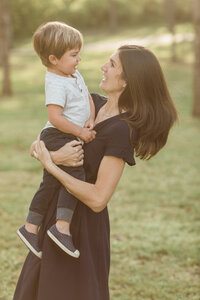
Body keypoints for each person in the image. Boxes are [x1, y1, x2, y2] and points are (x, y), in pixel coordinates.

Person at [13, 45, 178, 300]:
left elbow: (99, 198)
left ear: (126, 81)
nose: (103, 67)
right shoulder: (89, 103)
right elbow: (40, 143)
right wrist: (53, 157)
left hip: (80, 230)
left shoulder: (122, 131)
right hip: (53, 217)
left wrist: (52, 166)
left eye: (111, 64)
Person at [17, 21, 96, 259]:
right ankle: (61, 227)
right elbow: (55, 117)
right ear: (53, 59)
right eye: (73, 55)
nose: (78, 59)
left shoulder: (71, 72)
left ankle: (30, 228)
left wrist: (90, 118)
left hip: (67, 131)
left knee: (51, 182)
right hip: (57, 133)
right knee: (74, 173)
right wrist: (81, 133)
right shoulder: (55, 82)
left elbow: (87, 96)